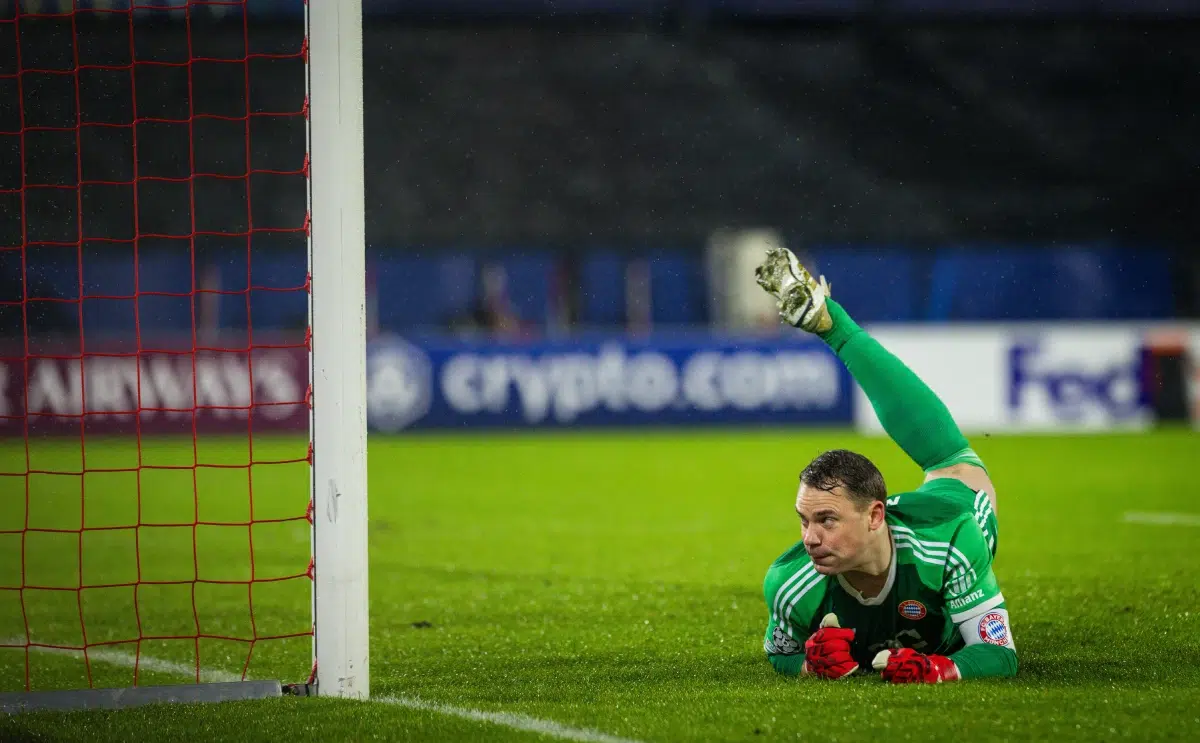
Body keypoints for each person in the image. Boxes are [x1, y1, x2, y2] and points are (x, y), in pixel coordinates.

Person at [753, 247, 1017, 683]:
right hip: (886, 522)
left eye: (826, 520)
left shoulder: (951, 542)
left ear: (877, 515)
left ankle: (834, 325)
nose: (810, 538)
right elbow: (780, 654)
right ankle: (829, 323)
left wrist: (940, 668)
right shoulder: (788, 582)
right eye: (804, 520)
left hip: (949, 511)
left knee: (951, 462)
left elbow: (999, 655)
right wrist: (808, 664)